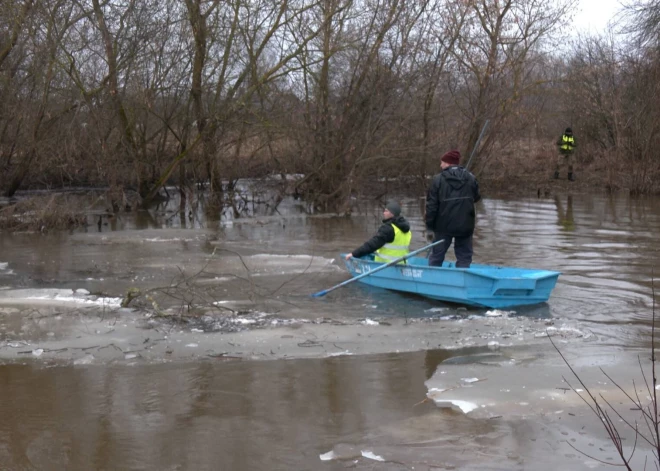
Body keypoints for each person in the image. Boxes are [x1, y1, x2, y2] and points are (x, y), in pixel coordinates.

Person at [425, 149, 481, 268]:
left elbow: (431, 206)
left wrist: (429, 226)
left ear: (449, 163)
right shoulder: (471, 177)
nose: (440, 165)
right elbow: (476, 197)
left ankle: (432, 280)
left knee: (437, 256)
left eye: (442, 163)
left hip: (443, 225)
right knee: (464, 257)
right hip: (465, 224)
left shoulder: (438, 180)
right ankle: (461, 279)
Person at [345, 200, 412, 263]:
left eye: (386, 211)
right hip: (402, 264)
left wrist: (354, 254)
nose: (384, 213)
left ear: (392, 214)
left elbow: (372, 244)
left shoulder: (388, 228)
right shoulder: (406, 229)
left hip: (385, 265)